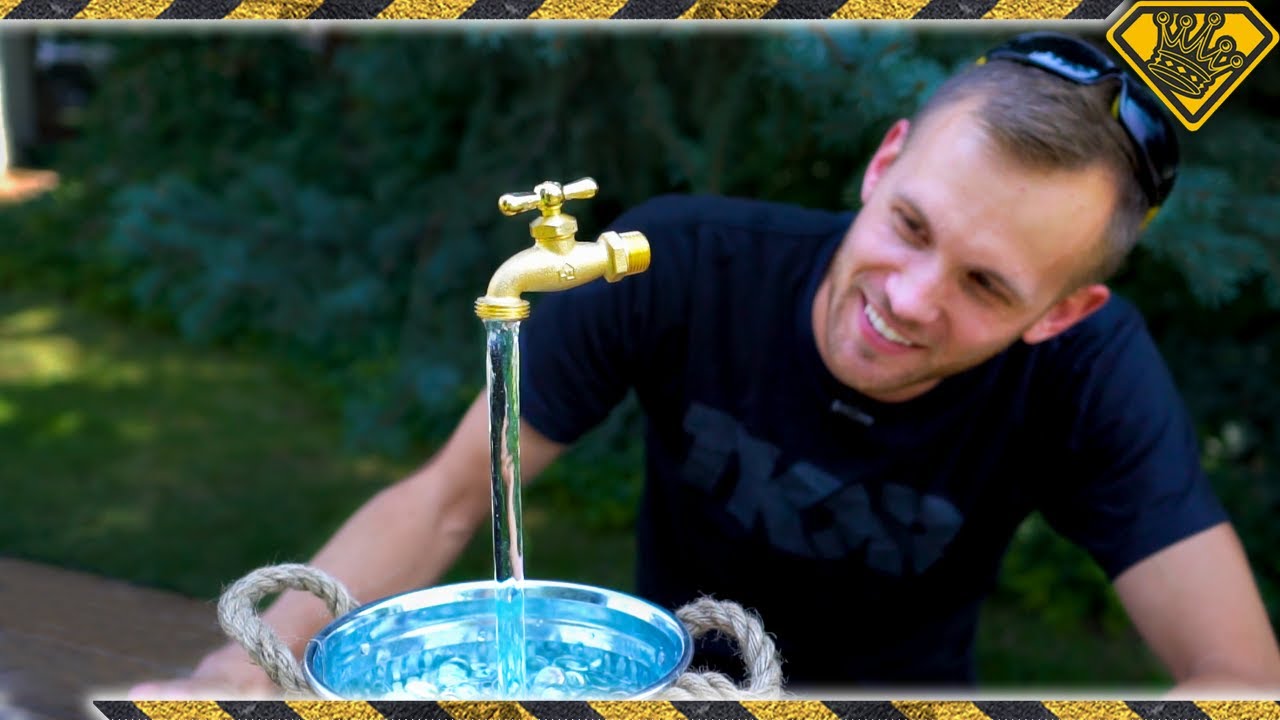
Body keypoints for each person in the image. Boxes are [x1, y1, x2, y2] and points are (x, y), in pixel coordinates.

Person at [130, 31, 1280, 698]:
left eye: (985, 286)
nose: (906, 299)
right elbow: (442, 501)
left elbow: (1240, 677)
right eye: (909, 227)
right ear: (883, 162)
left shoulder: (1088, 373)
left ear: (1060, 310)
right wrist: (250, 665)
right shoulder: (680, 262)